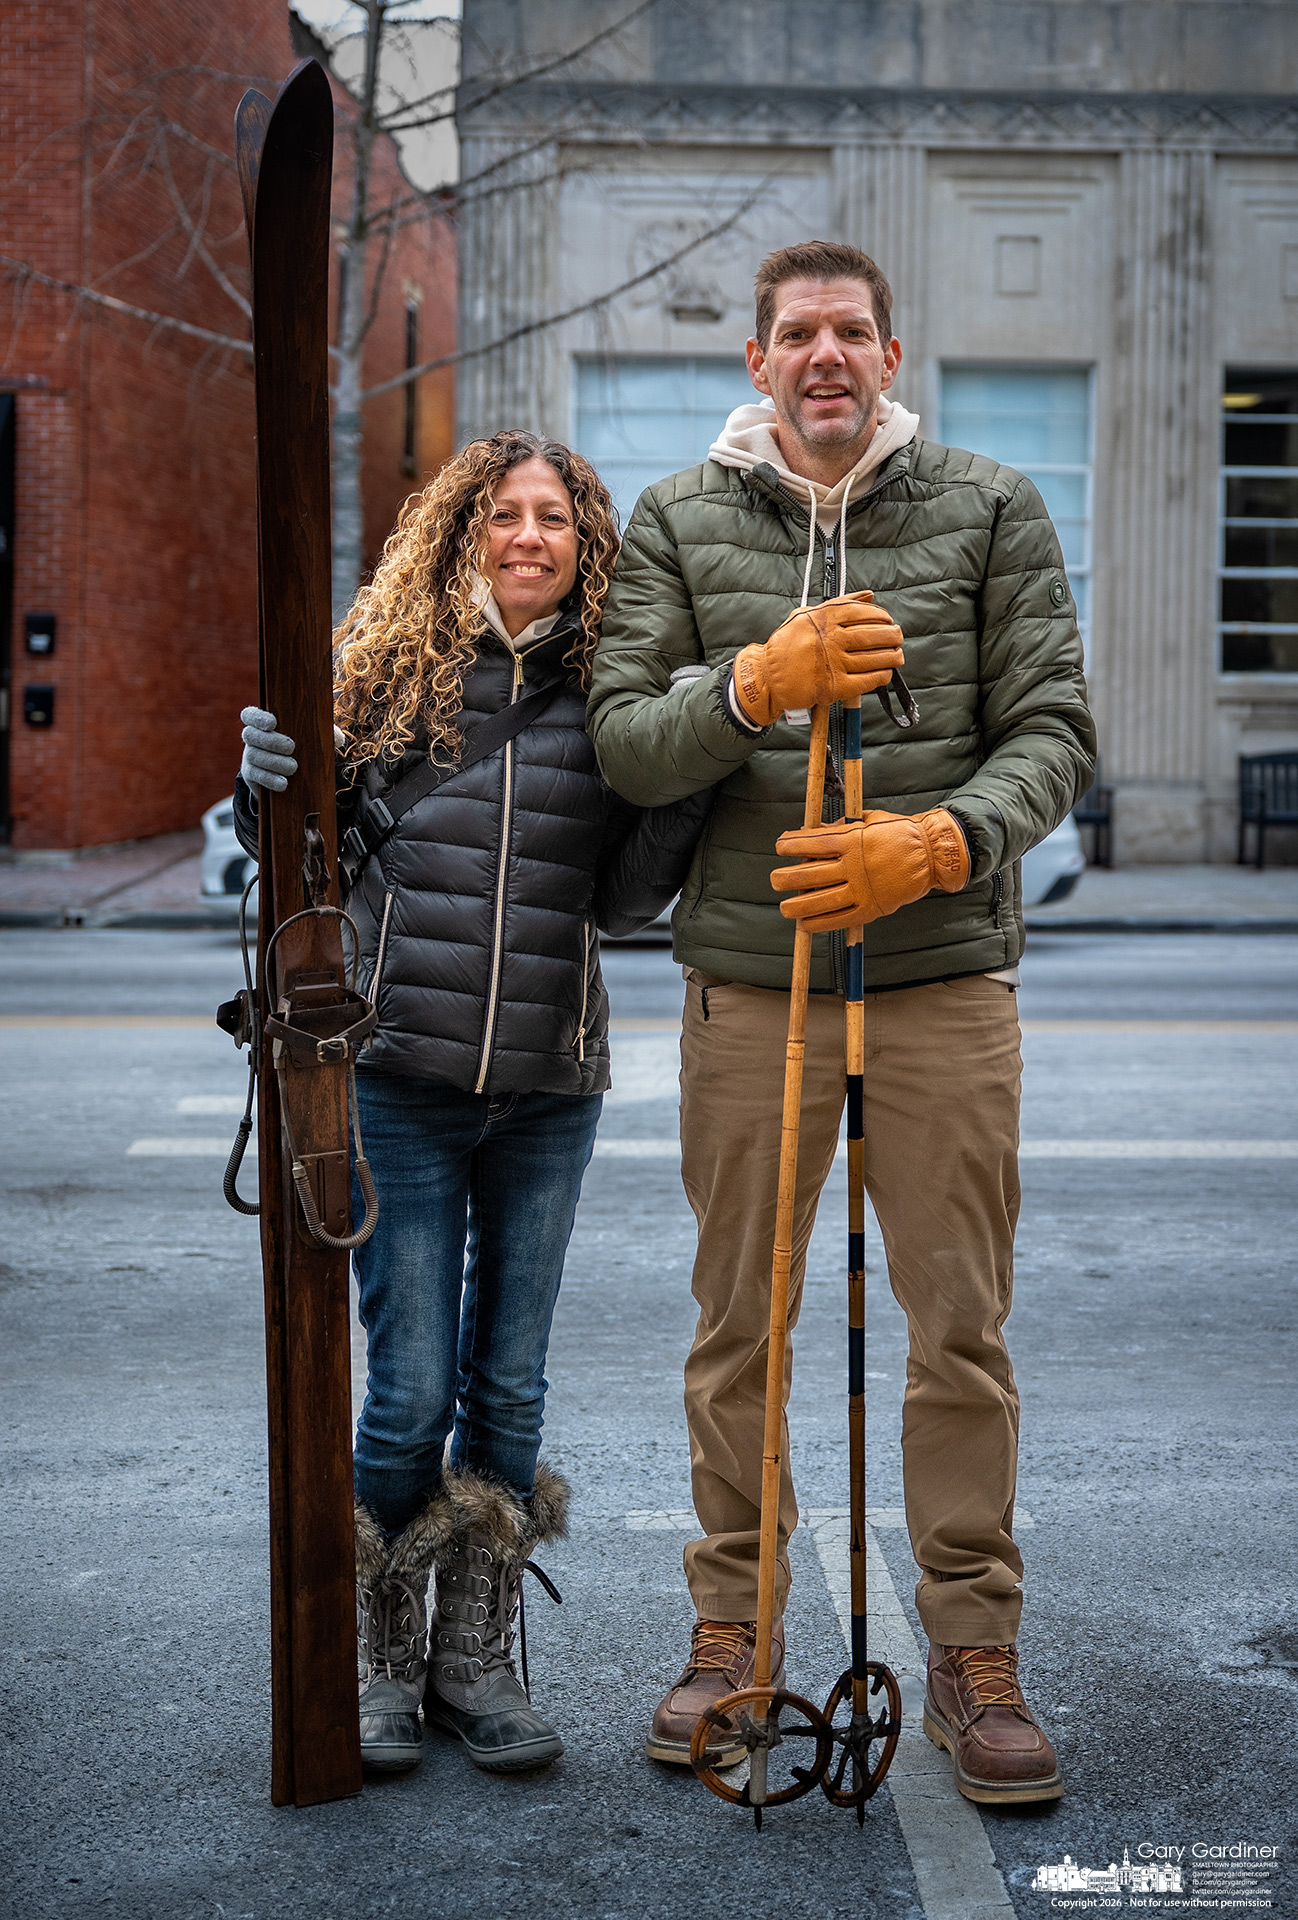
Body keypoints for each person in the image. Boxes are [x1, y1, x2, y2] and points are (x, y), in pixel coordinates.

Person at [587, 241, 1096, 1805]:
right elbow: (623, 746)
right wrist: (755, 683)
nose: (824, 355)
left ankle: (970, 1651)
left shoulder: (989, 506)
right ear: (756, 362)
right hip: (755, 989)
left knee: (956, 1331)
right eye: (795, 333)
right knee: (741, 1326)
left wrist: (935, 844)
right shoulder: (676, 521)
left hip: (942, 982)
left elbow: (1055, 730)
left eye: (850, 333)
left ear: (891, 355)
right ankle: (730, 1633)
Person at [234, 430, 706, 1780]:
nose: (528, 534)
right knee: (408, 1395)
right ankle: (380, 1648)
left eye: (555, 516)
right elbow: (291, 857)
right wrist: (263, 774)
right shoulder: (381, 679)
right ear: (456, 532)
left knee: (507, 1392)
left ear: (586, 544)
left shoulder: (609, 695)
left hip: (550, 1087)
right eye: (502, 512)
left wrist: (686, 780)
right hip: (399, 1082)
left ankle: (473, 1658)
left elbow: (621, 903)